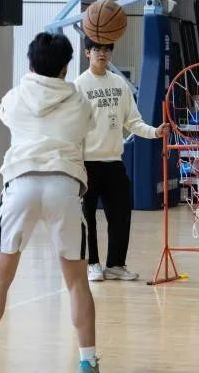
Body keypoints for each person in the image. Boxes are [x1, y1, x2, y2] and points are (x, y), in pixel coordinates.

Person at [0, 33, 100, 373]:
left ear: (30, 64)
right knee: (77, 282)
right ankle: (88, 363)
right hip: (63, 184)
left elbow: (5, 114)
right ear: (66, 68)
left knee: (0, 276)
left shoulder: (15, 96)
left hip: (21, 183)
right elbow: (88, 126)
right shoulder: (80, 101)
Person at [74, 37, 169, 282]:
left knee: (121, 214)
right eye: (97, 49)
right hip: (86, 164)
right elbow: (72, 128)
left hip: (114, 162)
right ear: (87, 52)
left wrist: (154, 132)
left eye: (107, 49)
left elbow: (133, 121)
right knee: (87, 217)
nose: (102, 53)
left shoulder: (119, 84)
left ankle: (115, 264)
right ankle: (92, 264)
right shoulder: (79, 86)